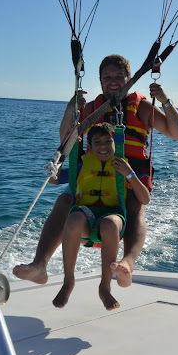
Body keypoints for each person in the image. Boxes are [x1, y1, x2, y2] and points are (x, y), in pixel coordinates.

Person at [13, 54, 178, 288]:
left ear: (129, 79)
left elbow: (177, 134)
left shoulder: (142, 107)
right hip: (95, 170)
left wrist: (164, 100)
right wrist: (69, 109)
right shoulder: (92, 109)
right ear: (101, 81)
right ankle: (40, 265)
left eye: (119, 77)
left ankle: (127, 264)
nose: (113, 81)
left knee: (136, 205)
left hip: (128, 172)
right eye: (107, 77)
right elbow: (67, 139)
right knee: (65, 199)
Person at [53, 122, 150, 310]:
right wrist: (56, 162)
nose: (103, 146)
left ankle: (105, 287)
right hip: (86, 216)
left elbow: (144, 198)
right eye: (97, 142)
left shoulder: (123, 166)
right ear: (90, 146)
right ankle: (68, 281)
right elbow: (54, 179)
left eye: (108, 141)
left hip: (112, 215)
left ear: (116, 144)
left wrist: (129, 174)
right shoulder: (83, 166)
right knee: (73, 219)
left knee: (110, 225)